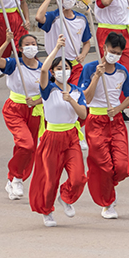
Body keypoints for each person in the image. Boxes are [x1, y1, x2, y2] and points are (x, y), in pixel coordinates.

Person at [30, 35, 90, 227]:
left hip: (71, 137)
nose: (63, 71)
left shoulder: (76, 92)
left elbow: (82, 115)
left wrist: (71, 100)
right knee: (50, 178)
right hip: (51, 137)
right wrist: (56, 48)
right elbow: (43, 70)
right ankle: (47, 211)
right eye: (59, 68)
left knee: (79, 177)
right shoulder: (48, 90)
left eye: (66, 67)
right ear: (54, 73)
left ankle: (66, 197)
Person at [78, 33, 129, 219]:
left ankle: (108, 186)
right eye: (112, 51)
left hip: (116, 121)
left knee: (121, 166)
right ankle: (107, 203)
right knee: (103, 165)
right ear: (104, 48)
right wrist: (96, 76)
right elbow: (85, 98)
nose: (115, 55)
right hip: (95, 122)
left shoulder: (122, 71)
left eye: (118, 53)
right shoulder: (89, 68)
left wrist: (118, 108)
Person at [0, 29, 44, 200]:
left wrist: (37, 102)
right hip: (15, 109)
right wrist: (7, 42)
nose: (31, 47)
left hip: (35, 110)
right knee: (26, 144)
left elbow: (50, 92)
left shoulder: (44, 68)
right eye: (27, 45)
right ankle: (17, 178)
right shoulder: (15, 64)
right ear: (19, 48)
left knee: (29, 149)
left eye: (33, 44)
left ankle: (12, 179)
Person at [36, 0, 92, 85]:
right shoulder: (53, 17)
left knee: (76, 95)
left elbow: (86, 42)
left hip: (74, 67)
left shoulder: (81, 19)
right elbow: (39, 17)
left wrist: (83, 54)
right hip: (55, 66)